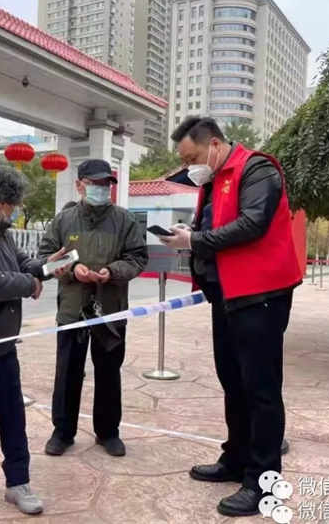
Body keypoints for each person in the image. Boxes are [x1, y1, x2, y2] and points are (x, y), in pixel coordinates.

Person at [160, 116, 302, 518]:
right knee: (233, 383)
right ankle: (236, 458)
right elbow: (216, 227)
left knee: (261, 389)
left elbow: (252, 224)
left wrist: (195, 240)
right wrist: (189, 233)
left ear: (215, 145)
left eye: (192, 158)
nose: (190, 167)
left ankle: (263, 481)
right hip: (226, 295)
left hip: (260, 296)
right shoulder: (214, 180)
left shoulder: (256, 169)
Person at [0, 165, 69, 516]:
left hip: (4, 344)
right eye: (14, 204)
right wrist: (30, 284)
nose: (15, 210)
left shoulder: (2, 233)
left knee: (13, 417)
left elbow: (21, 262)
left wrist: (46, 267)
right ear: (1, 203)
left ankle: (18, 482)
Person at [37, 159, 148, 458]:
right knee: (67, 372)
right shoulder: (63, 220)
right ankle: (62, 432)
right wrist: (73, 270)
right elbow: (46, 257)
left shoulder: (124, 220)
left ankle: (108, 432)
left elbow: (138, 257)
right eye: (95, 183)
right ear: (79, 185)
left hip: (110, 309)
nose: (101, 189)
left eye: (105, 184)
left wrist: (112, 271)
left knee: (109, 371)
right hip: (73, 309)